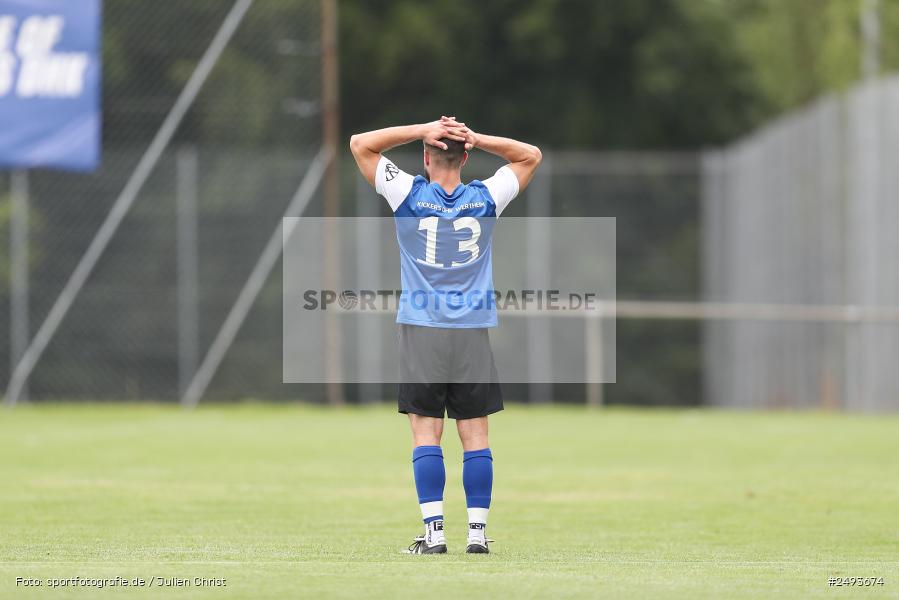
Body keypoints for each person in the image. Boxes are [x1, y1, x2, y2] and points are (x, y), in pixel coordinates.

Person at [349, 116, 542, 554]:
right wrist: (478, 137)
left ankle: (434, 534)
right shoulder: (485, 196)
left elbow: (361, 144)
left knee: (426, 434)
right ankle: (477, 535)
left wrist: (421, 128)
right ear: (466, 155)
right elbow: (530, 155)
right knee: (475, 436)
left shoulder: (409, 192)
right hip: (472, 331)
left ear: (425, 155)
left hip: (422, 330)